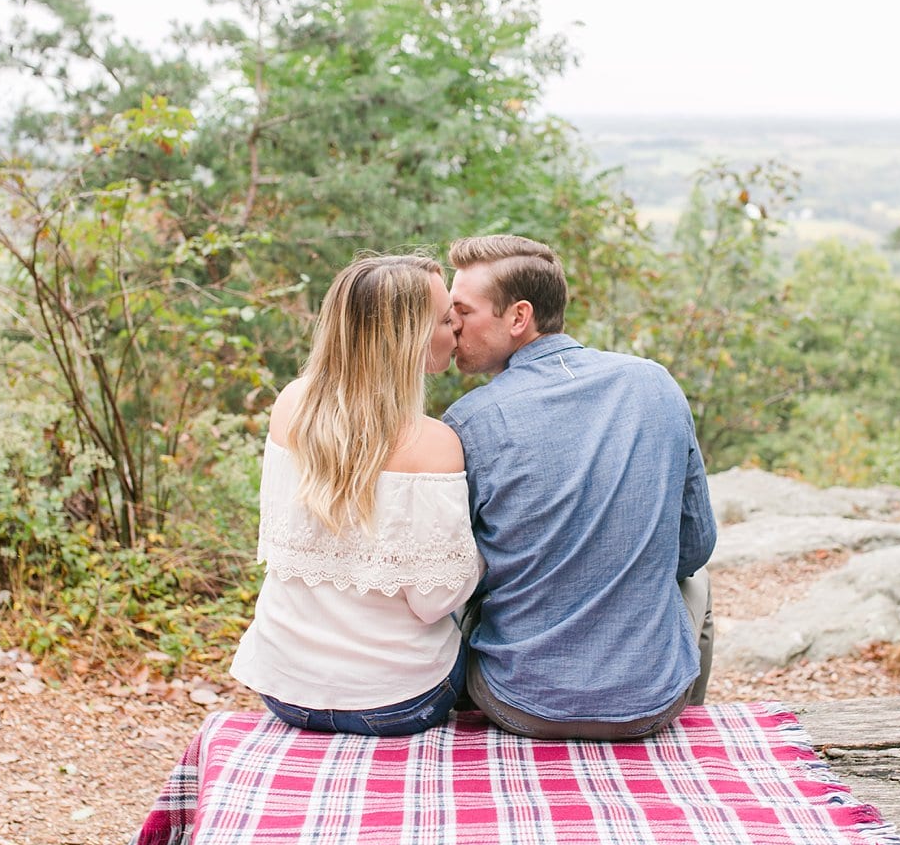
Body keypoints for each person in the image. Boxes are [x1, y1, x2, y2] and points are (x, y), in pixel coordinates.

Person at [441, 234, 716, 741]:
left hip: (516, 702)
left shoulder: (469, 422)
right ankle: (681, 707)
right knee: (696, 583)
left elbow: (460, 574)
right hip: (652, 706)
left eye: (462, 310)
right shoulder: (654, 383)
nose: (451, 325)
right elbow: (695, 546)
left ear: (518, 318)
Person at [230, 254, 482, 736]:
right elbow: (436, 600)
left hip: (284, 688)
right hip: (396, 701)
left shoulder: (291, 405)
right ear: (406, 338)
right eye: (446, 319)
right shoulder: (433, 444)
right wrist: (481, 557)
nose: (456, 331)